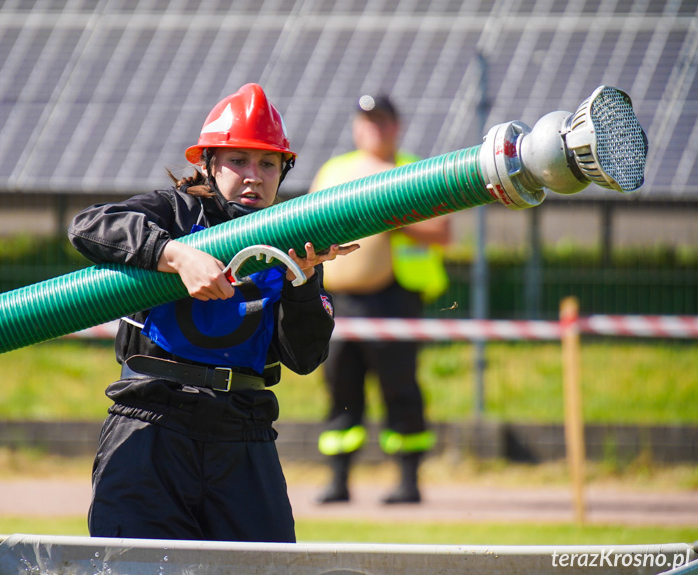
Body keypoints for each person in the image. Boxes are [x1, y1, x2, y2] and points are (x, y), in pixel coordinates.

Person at [68, 83, 357, 543]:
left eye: (267, 163)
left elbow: (304, 358)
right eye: (237, 160)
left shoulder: (292, 237)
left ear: (284, 170)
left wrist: (302, 283)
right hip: (150, 426)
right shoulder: (175, 212)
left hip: (243, 434)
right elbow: (86, 226)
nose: (253, 176)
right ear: (207, 163)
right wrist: (174, 255)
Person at [309, 94, 450, 505]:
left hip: (395, 300)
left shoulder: (415, 171)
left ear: (397, 126)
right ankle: (338, 480)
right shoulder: (335, 170)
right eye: (367, 120)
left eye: (383, 120)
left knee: (399, 388)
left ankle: (408, 480)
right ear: (356, 126)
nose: (375, 128)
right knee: (340, 387)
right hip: (338, 302)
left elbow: (443, 233)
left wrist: (394, 218)